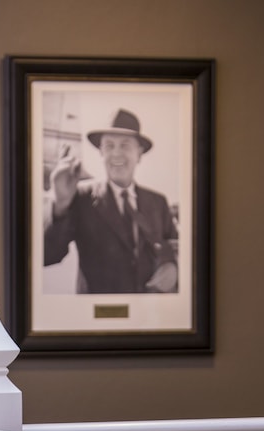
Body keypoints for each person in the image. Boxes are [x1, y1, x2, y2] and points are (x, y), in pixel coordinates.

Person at [44, 108, 178, 295]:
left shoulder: (158, 202)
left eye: (125, 145)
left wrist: (173, 267)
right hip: (97, 315)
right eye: (109, 146)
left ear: (139, 154)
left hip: (148, 314)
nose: (116, 153)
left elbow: (174, 247)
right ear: (101, 152)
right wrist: (60, 204)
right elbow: (47, 256)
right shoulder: (81, 196)